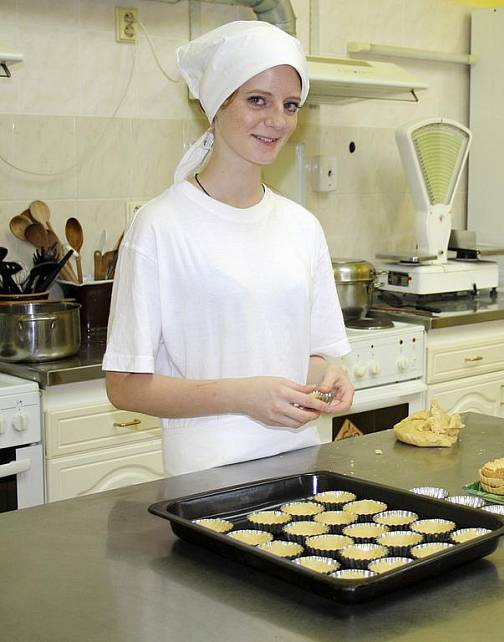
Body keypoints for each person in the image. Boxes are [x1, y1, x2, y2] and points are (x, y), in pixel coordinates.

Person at [103, 21, 353, 476]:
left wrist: (325, 379)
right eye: (257, 100)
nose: (277, 121)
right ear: (217, 104)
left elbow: (312, 356)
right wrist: (243, 396)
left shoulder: (302, 226)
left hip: (302, 470)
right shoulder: (159, 226)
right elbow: (124, 386)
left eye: (290, 105)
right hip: (207, 480)